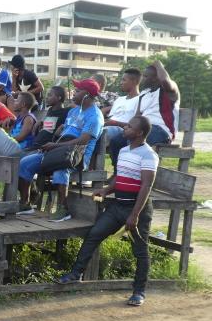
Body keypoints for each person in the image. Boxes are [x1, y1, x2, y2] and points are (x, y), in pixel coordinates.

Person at [57, 116, 158, 307]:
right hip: (118, 205)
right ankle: (75, 274)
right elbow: (119, 177)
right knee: (94, 234)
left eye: (129, 127)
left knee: (140, 250)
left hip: (138, 209)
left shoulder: (149, 155)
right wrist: (106, 190)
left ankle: (139, 291)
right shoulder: (124, 150)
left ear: (139, 133)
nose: (125, 128)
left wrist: (134, 215)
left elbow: (146, 186)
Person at [17, 78, 104, 221]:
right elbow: (62, 133)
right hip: (60, 151)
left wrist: (55, 145)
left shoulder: (95, 116)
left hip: (76, 157)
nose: (73, 93)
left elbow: (83, 140)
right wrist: (59, 132)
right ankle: (25, 204)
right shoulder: (74, 111)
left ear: (87, 95)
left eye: (77, 91)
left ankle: (64, 209)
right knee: (25, 163)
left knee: (61, 168)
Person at [109, 61, 180, 170]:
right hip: (142, 127)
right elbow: (137, 117)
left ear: (156, 78)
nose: (143, 79)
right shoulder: (144, 94)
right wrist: (129, 127)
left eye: (146, 76)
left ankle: (133, 174)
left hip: (162, 130)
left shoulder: (169, 90)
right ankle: (118, 173)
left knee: (132, 140)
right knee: (116, 141)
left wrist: (159, 65)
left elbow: (165, 80)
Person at [0, 92, 37, 156]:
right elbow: (12, 134)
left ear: (23, 104)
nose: (14, 101)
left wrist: (3, 140)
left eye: (17, 100)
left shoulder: (28, 118)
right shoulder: (19, 118)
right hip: (13, 146)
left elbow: (21, 137)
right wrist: (4, 130)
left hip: (19, 149)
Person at [25, 86, 71, 152]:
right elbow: (49, 128)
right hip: (35, 145)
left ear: (59, 98)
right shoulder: (50, 110)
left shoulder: (66, 111)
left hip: (44, 148)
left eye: (50, 95)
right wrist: (41, 122)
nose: (46, 97)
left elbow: (76, 106)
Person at [104, 69, 141, 144]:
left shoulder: (140, 100)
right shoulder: (119, 99)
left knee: (101, 134)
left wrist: (115, 123)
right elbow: (111, 118)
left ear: (134, 82)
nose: (121, 83)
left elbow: (136, 125)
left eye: (124, 80)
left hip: (123, 130)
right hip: (108, 127)